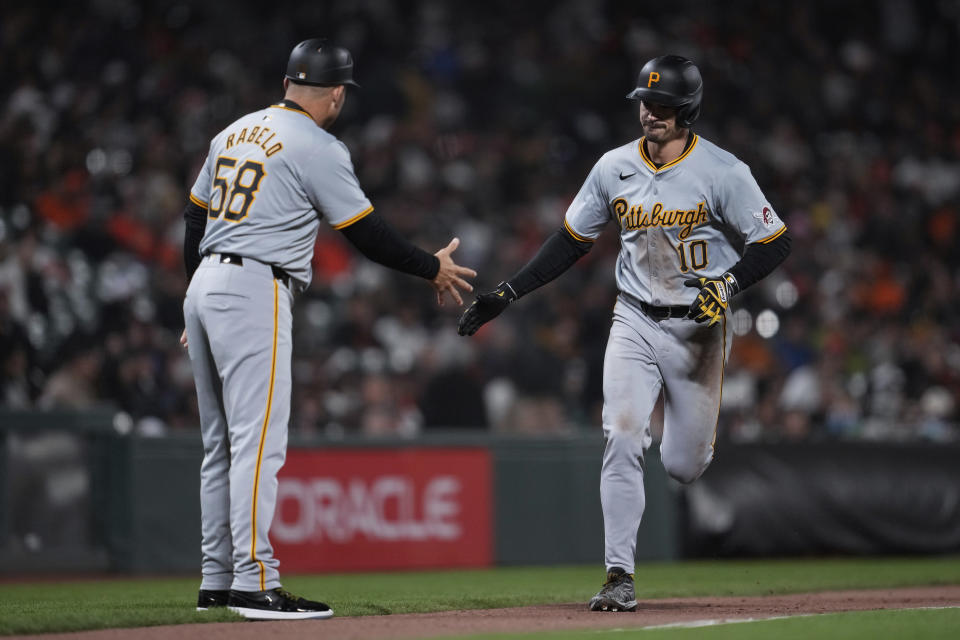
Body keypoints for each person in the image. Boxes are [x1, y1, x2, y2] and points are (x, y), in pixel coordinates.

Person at [458, 55, 791, 612]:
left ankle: (678, 452)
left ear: (688, 110)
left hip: (700, 329)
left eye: (663, 105)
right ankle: (619, 575)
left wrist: (729, 283)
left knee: (684, 465)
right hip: (633, 317)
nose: (650, 112)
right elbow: (570, 240)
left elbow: (775, 240)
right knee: (622, 431)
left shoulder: (722, 171)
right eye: (645, 101)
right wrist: (507, 294)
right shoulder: (613, 167)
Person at [180, 38, 475, 620]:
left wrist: (197, 293)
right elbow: (367, 235)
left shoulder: (233, 132)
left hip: (206, 283)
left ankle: (217, 578)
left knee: (220, 446)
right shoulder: (318, 145)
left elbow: (194, 216)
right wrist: (430, 266)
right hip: (253, 287)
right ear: (336, 93)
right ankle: (254, 580)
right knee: (258, 444)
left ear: (289, 81)